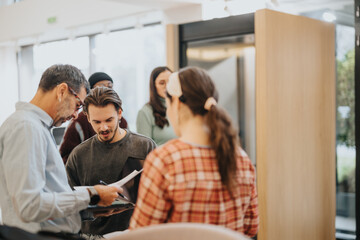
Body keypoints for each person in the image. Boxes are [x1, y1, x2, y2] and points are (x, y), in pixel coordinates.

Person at [129, 67, 259, 237]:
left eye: (168, 105)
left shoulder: (164, 160)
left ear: (176, 103)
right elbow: (251, 228)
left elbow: (141, 234)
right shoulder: (241, 158)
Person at [0, 64, 122, 235]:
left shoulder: (37, 128)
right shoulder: (26, 127)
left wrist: (89, 209)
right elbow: (29, 206)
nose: (75, 115)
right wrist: (91, 194)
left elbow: (47, 199)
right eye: (78, 105)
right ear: (62, 91)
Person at [66, 87, 156, 236]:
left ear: (119, 113)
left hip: (136, 233)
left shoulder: (145, 146)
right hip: (94, 235)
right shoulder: (79, 155)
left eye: (109, 120)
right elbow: (70, 204)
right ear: (88, 118)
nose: (104, 128)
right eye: (97, 122)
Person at [60, 72, 128, 164]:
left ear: (119, 113)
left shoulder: (122, 121)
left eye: (109, 86)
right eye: (100, 86)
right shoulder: (78, 122)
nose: (105, 89)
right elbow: (65, 157)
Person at [136, 66, 176, 146]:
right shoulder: (145, 112)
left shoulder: (180, 107)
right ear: (153, 86)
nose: (167, 86)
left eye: (170, 82)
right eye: (162, 83)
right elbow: (144, 149)